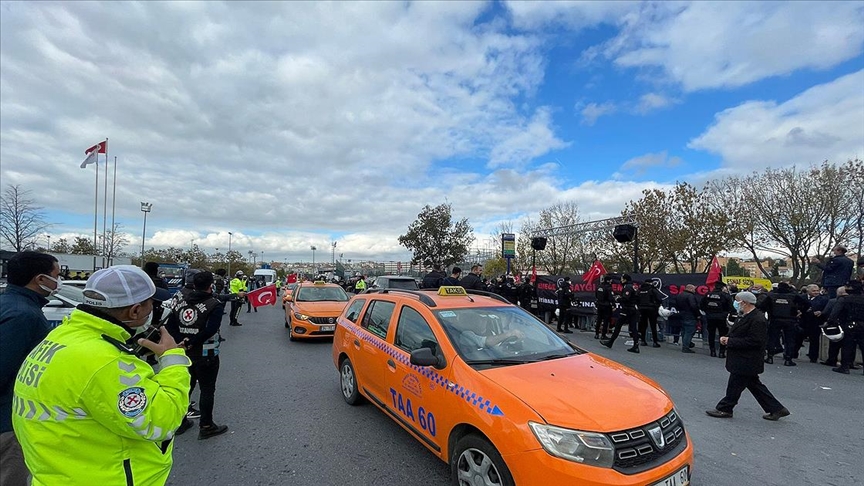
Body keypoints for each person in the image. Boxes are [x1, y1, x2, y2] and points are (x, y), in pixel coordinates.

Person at [12, 265, 191, 485]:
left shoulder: (62, 336)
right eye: (151, 304)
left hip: (58, 474)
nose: (153, 310)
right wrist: (173, 359)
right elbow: (163, 420)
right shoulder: (107, 361)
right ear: (134, 311)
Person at [0, 252, 59, 486]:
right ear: (40, 279)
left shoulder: (10, 304)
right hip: (9, 419)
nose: (58, 281)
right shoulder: (23, 315)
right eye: (56, 275)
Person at [705, 291, 790, 421]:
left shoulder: (758, 319)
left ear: (745, 303)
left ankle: (725, 408)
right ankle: (776, 409)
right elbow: (739, 333)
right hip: (744, 358)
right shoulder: (746, 316)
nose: (736, 304)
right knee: (754, 385)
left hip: (747, 359)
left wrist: (730, 341)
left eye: (738, 301)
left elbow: (755, 341)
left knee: (735, 385)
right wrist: (727, 338)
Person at [165, 271, 229, 439]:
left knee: (187, 387)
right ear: (210, 285)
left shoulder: (181, 302)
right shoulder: (214, 304)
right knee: (207, 390)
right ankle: (206, 425)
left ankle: (180, 421)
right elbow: (211, 329)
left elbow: (170, 324)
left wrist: (182, 341)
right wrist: (192, 341)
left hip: (185, 353)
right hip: (206, 354)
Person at [764, 282, 809, 366]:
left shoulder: (771, 295)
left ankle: (770, 357)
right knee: (790, 340)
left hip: (775, 318)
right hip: (790, 319)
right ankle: (788, 359)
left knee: (772, 338)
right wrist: (799, 310)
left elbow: (762, 305)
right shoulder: (793, 295)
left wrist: (769, 310)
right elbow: (806, 303)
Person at [828, 280, 864, 375]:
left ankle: (845, 366)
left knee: (847, 346)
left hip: (849, 324)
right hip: (862, 324)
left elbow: (834, 313)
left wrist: (830, 323)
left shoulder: (844, 299)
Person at [602, 274, 640, 353]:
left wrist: (618, 299)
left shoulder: (627, 287)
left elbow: (626, 298)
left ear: (625, 279)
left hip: (627, 309)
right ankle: (636, 345)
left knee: (618, 326)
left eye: (622, 279)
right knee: (633, 328)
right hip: (633, 309)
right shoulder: (632, 286)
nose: (621, 281)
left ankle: (610, 342)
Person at [797, 284, 829, 363]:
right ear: (808, 290)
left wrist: (821, 312)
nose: (816, 292)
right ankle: (793, 353)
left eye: (817, 290)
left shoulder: (824, 299)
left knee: (814, 340)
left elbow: (826, 310)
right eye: (814, 291)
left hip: (815, 322)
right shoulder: (801, 297)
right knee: (798, 338)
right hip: (802, 321)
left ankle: (813, 357)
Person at [701, 282, 733, 358]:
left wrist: (708, 312)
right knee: (722, 334)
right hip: (721, 318)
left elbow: (702, 306)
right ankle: (721, 352)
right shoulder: (725, 296)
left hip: (710, 317)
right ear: (722, 288)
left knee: (711, 334)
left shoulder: (707, 294)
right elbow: (730, 308)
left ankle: (712, 351)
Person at [637, 278, 665, 348]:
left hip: (642, 309)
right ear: (650, 283)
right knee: (653, 326)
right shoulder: (652, 289)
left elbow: (636, 299)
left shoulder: (640, 290)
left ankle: (643, 340)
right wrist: (657, 305)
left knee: (643, 325)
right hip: (652, 309)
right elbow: (659, 299)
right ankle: (655, 342)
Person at [677, 284, 701, 353]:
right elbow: (693, 306)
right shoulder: (690, 296)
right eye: (693, 289)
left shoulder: (680, 295)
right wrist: (698, 315)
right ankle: (686, 346)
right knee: (689, 332)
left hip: (682, 315)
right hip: (690, 316)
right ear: (690, 289)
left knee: (684, 331)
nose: (694, 291)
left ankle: (686, 344)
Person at [594, 274, 613, 340]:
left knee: (599, 319)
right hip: (606, 305)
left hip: (599, 304)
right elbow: (611, 297)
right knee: (605, 320)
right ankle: (603, 335)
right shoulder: (608, 287)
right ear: (608, 280)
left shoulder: (599, 286)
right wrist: (613, 304)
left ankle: (596, 334)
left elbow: (596, 295)